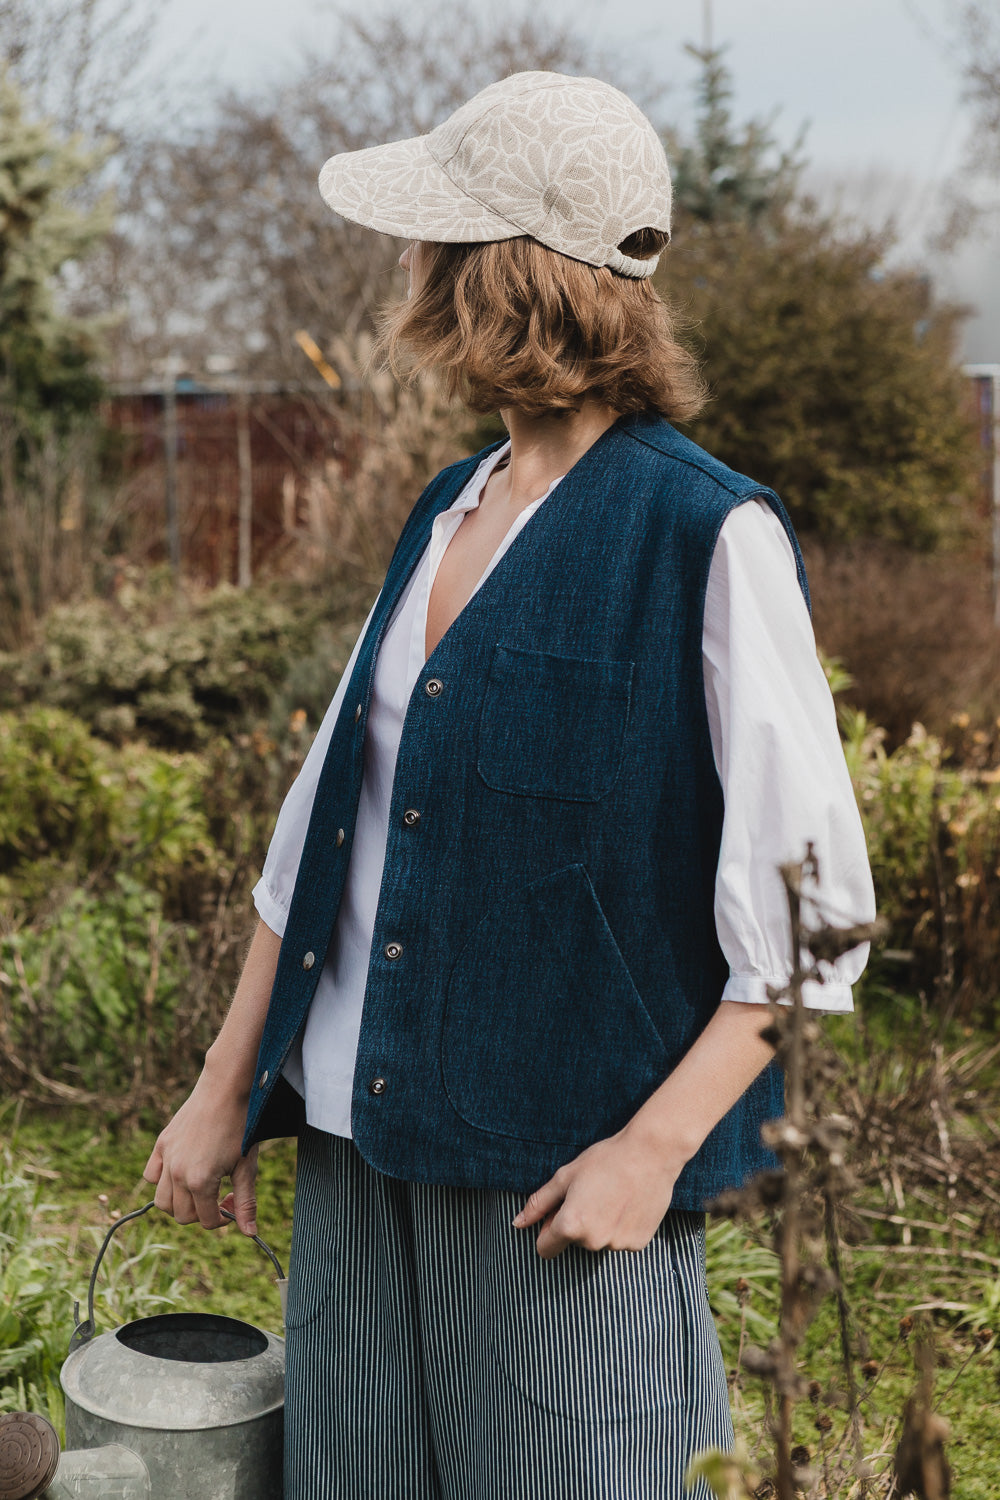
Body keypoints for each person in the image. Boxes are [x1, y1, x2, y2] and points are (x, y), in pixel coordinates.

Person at [145, 71, 876, 1499]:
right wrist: (228, 1080)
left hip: (564, 1177)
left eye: (428, 236)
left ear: (495, 276)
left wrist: (650, 1153)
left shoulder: (705, 534)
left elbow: (812, 918)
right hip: (361, 1151)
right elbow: (322, 834)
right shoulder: (447, 504)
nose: (402, 264)